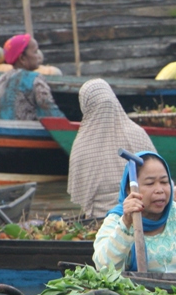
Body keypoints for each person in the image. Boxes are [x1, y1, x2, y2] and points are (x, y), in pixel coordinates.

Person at [67, 79, 156, 218]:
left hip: (100, 219)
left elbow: (81, 196)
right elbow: (156, 175)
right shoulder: (137, 133)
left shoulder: (81, 144)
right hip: (139, 213)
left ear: (85, 105)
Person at [0, 34, 63, 120]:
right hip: (26, 132)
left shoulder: (0, 80)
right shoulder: (35, 79)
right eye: (35, 52)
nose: (38, 56)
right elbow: (51, 112)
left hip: (2, 132)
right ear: (22, 58)